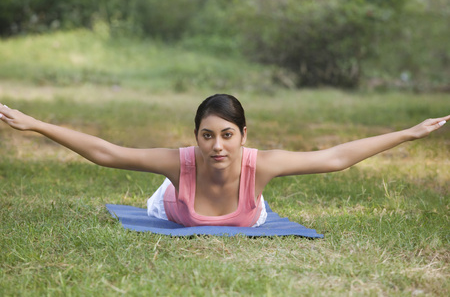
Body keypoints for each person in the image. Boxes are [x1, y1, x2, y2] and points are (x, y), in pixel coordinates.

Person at [0, 94, 448, 227]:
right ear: (195, 137)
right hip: (174, 206)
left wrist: (410, 132)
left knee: (258, 207)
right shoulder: (181, 162)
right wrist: (37, 124)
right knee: (161, 198)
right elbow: (107, 153)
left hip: (249, 212)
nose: (217, 146)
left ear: (243, 136)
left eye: (227, 135)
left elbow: (334, 158)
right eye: (207, 135)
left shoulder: (261, 164)